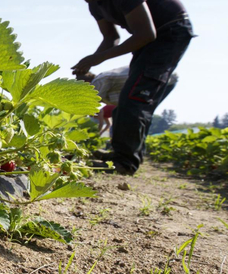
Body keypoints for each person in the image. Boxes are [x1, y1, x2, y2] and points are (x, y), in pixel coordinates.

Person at [72, 0, 194, 175]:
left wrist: (98, 58)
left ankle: (125, 162)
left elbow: (146, 33)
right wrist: (90, 60)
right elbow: (111, 38)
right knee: (129, 98)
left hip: (169, 31)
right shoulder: (95, 4)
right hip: (147, 39)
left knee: (135, 97)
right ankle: (123, 155)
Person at [78, 66, 179, 140]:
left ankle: (126, 158)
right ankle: (122, 153)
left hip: (162, 80)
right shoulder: (102, 84)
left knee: (138, 116)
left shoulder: (98, 81)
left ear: (86, 82)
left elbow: (90, 104)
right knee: (126, 116)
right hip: (152, 80)